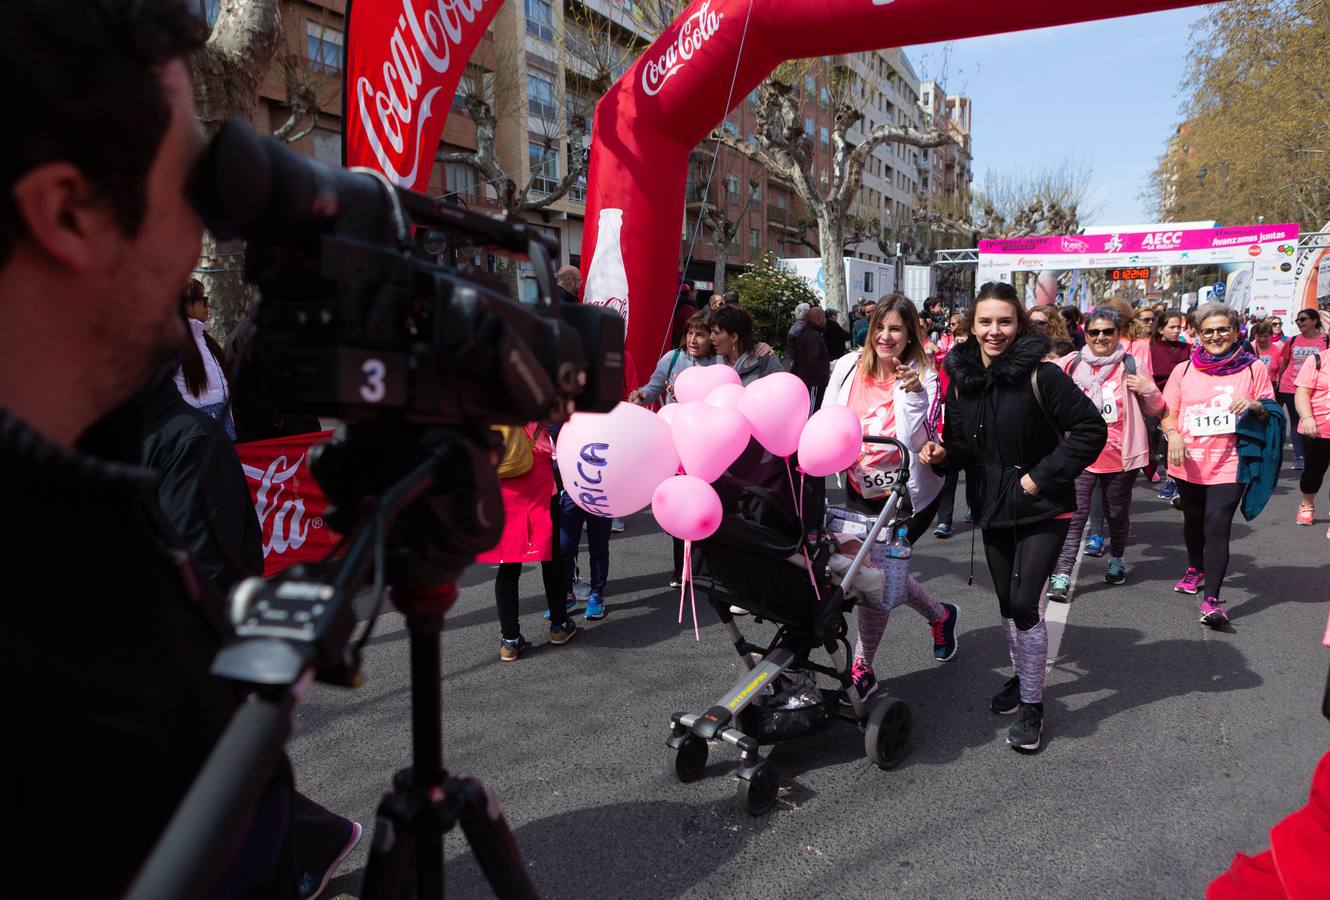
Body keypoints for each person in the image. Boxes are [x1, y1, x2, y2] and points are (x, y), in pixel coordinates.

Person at [0, 3, 300, 895]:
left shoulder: (92, 487)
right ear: (70, 214)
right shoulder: (56, 631)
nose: (199, 238)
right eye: (187, 188)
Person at [920, 282, 1105, 752]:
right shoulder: (963, 379)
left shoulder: (1045, 376)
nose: (994, 331)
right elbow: (962, 445)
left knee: (1025, 602)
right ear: (971, 325)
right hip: (994, 506)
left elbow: (1090, 430)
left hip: (1045, 504)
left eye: (1004, 321)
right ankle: (1023, 679)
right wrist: (942, 454)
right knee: (1005, 602)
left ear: (1019, 323)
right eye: (985, 321)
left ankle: (1032, 705)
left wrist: (1039, 478)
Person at [825, 294, 957, 702]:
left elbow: (917, 433)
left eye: (895, 329)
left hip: (907, 494)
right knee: (875, 568)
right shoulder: (847, 366)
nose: (885, 336)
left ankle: (862, 664)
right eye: (880, 327)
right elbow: (828, 416)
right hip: (859, 485)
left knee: (874, 575)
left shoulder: (924, 376)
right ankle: (941, 615)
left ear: (910, 334)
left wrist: (915, 391)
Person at [1160, 301, 1274, 628]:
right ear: (1197, 335)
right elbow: (1170, 414)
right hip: (1189, 460)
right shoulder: (1184, 370)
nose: (1216, 336)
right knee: (1194, 521)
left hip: (1231, 461)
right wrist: (1173, 435)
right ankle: (1195, 567)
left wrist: (1254, 405)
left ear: (1235, 330)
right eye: (1208, 331)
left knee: (1217, 524)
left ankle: (1211, 599)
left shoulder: (1253, 369)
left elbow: (1270, 412)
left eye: (1223, 329)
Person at [1046, 307, 1164, 600]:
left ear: (1117, 333)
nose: (1101, 337)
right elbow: (1038, 377)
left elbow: (1156, 408)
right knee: (1074, 515)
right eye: (1094, 332)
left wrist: (1147, 389)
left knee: (1117, 514)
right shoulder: (1071, 364)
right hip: (1079, 455)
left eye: (1107, 331)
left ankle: (1117, 559)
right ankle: (1062, 573)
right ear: (1085, 334)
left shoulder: (1131, 365)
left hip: (1120, 456)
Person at [480, 424, 579, 658]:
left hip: (503, 474)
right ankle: (558, 626)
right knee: (550, 554)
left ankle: (510, 640)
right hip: (538, 473)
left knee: (508, 561)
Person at [176, 276, 236, 439]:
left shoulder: (205, 340)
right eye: (202, 300)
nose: (208, 304)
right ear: (187, 305)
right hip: (196, 433)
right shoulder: (174, 345)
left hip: (222, 426)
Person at [630, 310, 721, 407]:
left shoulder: (719, 364)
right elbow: (653, 389)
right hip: (671, 420)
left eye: (699, 335)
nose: (692, 340)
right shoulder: (672, 357)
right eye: (690, 333)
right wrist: (643, 394)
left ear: (711, 338)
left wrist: (683, 395)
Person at [1276, 308, 1329, 470]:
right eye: (1297, 320)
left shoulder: (1325, 340)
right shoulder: (1292, 341)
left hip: (1316, 389)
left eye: (1303, 319)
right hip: (1291, 387)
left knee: (1315, 422)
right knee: (1297, 421)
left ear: (1314, 321)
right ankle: (1300, 457)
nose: (1299, 322)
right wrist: (1278, 382)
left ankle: (1314, 454)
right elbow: (1285, 363)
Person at [932, 314, 971, 538]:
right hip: (952, 426)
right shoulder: (950, 362)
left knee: (976, 470)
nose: (961, 343)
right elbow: (941, 393)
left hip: (978, 427)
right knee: (950, 474)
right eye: (958, 339)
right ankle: (944, 520)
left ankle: (973, 504)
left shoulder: (986, 361)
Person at [1150, 308, 1190, 504]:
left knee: (1177, 439)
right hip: (1159, 403)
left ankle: (1176, 480)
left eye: (1179, 327)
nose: (1176, 331)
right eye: (1172, 327)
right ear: (1160, 329)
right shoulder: (1152, 349)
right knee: (1163, 441)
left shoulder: (1187, 349)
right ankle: (1169, 478)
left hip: (1184, 401)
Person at [1292, 334, 1330, 533]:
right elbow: (1302, 393)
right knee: (1313, 473)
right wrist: (1307, 418)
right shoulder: (1317, 360)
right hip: (1318, 429)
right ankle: (1307, 503)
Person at [709, 304, 783, 385]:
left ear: (734, 337)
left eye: (716, 333)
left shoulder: (765, 361)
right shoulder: (714, 363)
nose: (711, 337)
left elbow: (780, 390)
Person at [791, 305, 831, 412]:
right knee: (812, 411)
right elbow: (812, 359)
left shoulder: (805, 332)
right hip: (813, 382)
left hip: (807, 380)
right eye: (824, 318)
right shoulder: (813, 335)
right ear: (818, 319)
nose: (825, 320)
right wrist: (822, 378)